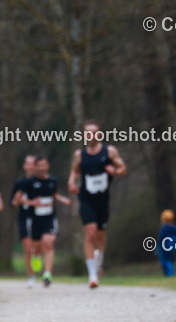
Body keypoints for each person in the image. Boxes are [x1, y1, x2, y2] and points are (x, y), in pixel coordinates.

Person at [68, 120, 127, 288]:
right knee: (90, 231)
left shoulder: (109, 151)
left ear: (99, 134)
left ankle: (99, 260)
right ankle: (92, 275)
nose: (90, 135)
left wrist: (115, 171)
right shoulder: (79, 154)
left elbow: (123, 169)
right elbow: (75, 170)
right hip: (86, 198)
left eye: (93, 132)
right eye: (87, 132)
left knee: (100, 235)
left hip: (103, 198)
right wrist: (72, 182)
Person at [23, 156, 71, 287]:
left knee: (48, 243)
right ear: (36, 167)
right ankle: (37, 256)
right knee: (37, 247)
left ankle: (47, 274)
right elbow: (19, 199)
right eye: (40, 165)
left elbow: (54, 195)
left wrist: (62, 199)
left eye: (45, 165)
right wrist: (32, 202)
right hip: (35, 219)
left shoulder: (53, 180)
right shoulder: (30, 182)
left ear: (48, 166)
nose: (42, 167)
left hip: (49, 218)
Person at [10, 155, 38, 287]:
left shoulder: (41, 181)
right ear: (24, 166)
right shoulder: (20, 183)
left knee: (38, 246)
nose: (31, 166)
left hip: (40, 218)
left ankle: (40, 267)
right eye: (29, 163)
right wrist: (17, 200)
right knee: (27, 248)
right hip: (24, 217)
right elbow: (13, 201)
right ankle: (31, 275)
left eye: (33, 163)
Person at [158, 210, 176, 277]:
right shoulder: (175, 228)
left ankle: (169, 274)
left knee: (165, 261)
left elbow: (161, 238)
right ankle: (170, 273)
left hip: (164, 246)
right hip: (172, 246)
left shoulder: (164, 228)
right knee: (170, 260)